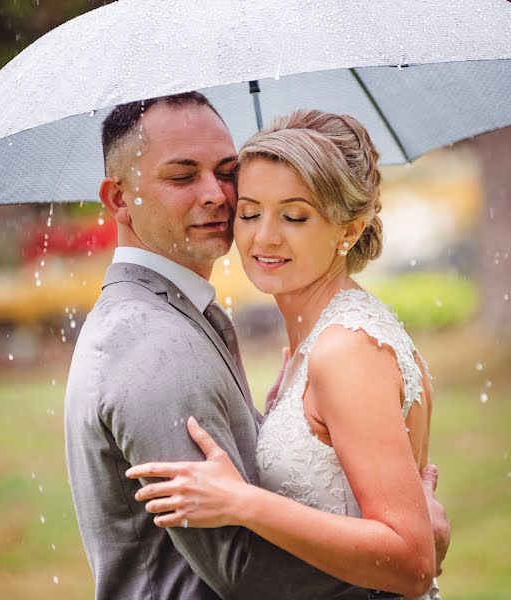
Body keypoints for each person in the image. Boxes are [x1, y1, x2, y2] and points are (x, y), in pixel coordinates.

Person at [64, 93, 449, 600]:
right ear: (118, 199)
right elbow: (240, 567)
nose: (216, 197)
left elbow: (404, 556)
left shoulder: (340, 350)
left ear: (349, 230)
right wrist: (415, 553)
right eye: (182, 176)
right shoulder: (150, 342)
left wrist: (411, 554)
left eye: (227, 173)